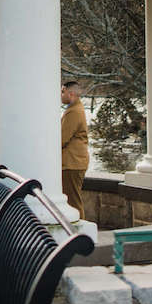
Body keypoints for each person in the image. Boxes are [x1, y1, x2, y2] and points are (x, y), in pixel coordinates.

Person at [61, 80, 90, 220]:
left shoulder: (73, 112)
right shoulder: (75, 109)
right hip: (75, 162)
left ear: (71, 93)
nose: (61, 95)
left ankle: (80, 231)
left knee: (73, 201)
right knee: (73, 199)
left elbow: (62, 138)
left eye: (63, 91)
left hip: (72, 163)